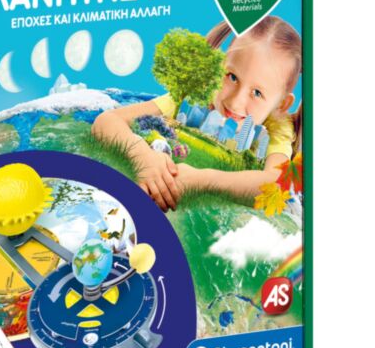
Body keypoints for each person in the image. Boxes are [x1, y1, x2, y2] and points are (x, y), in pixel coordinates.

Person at [92, 16, 302, 211]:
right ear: (220, 65)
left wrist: (203, 180)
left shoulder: (277, 128)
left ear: (281, 105)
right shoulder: (194, 95)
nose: (235, 101)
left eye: (257, 93)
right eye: (232, 77)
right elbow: (106, 121)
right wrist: (142, 157)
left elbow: (278, 184)